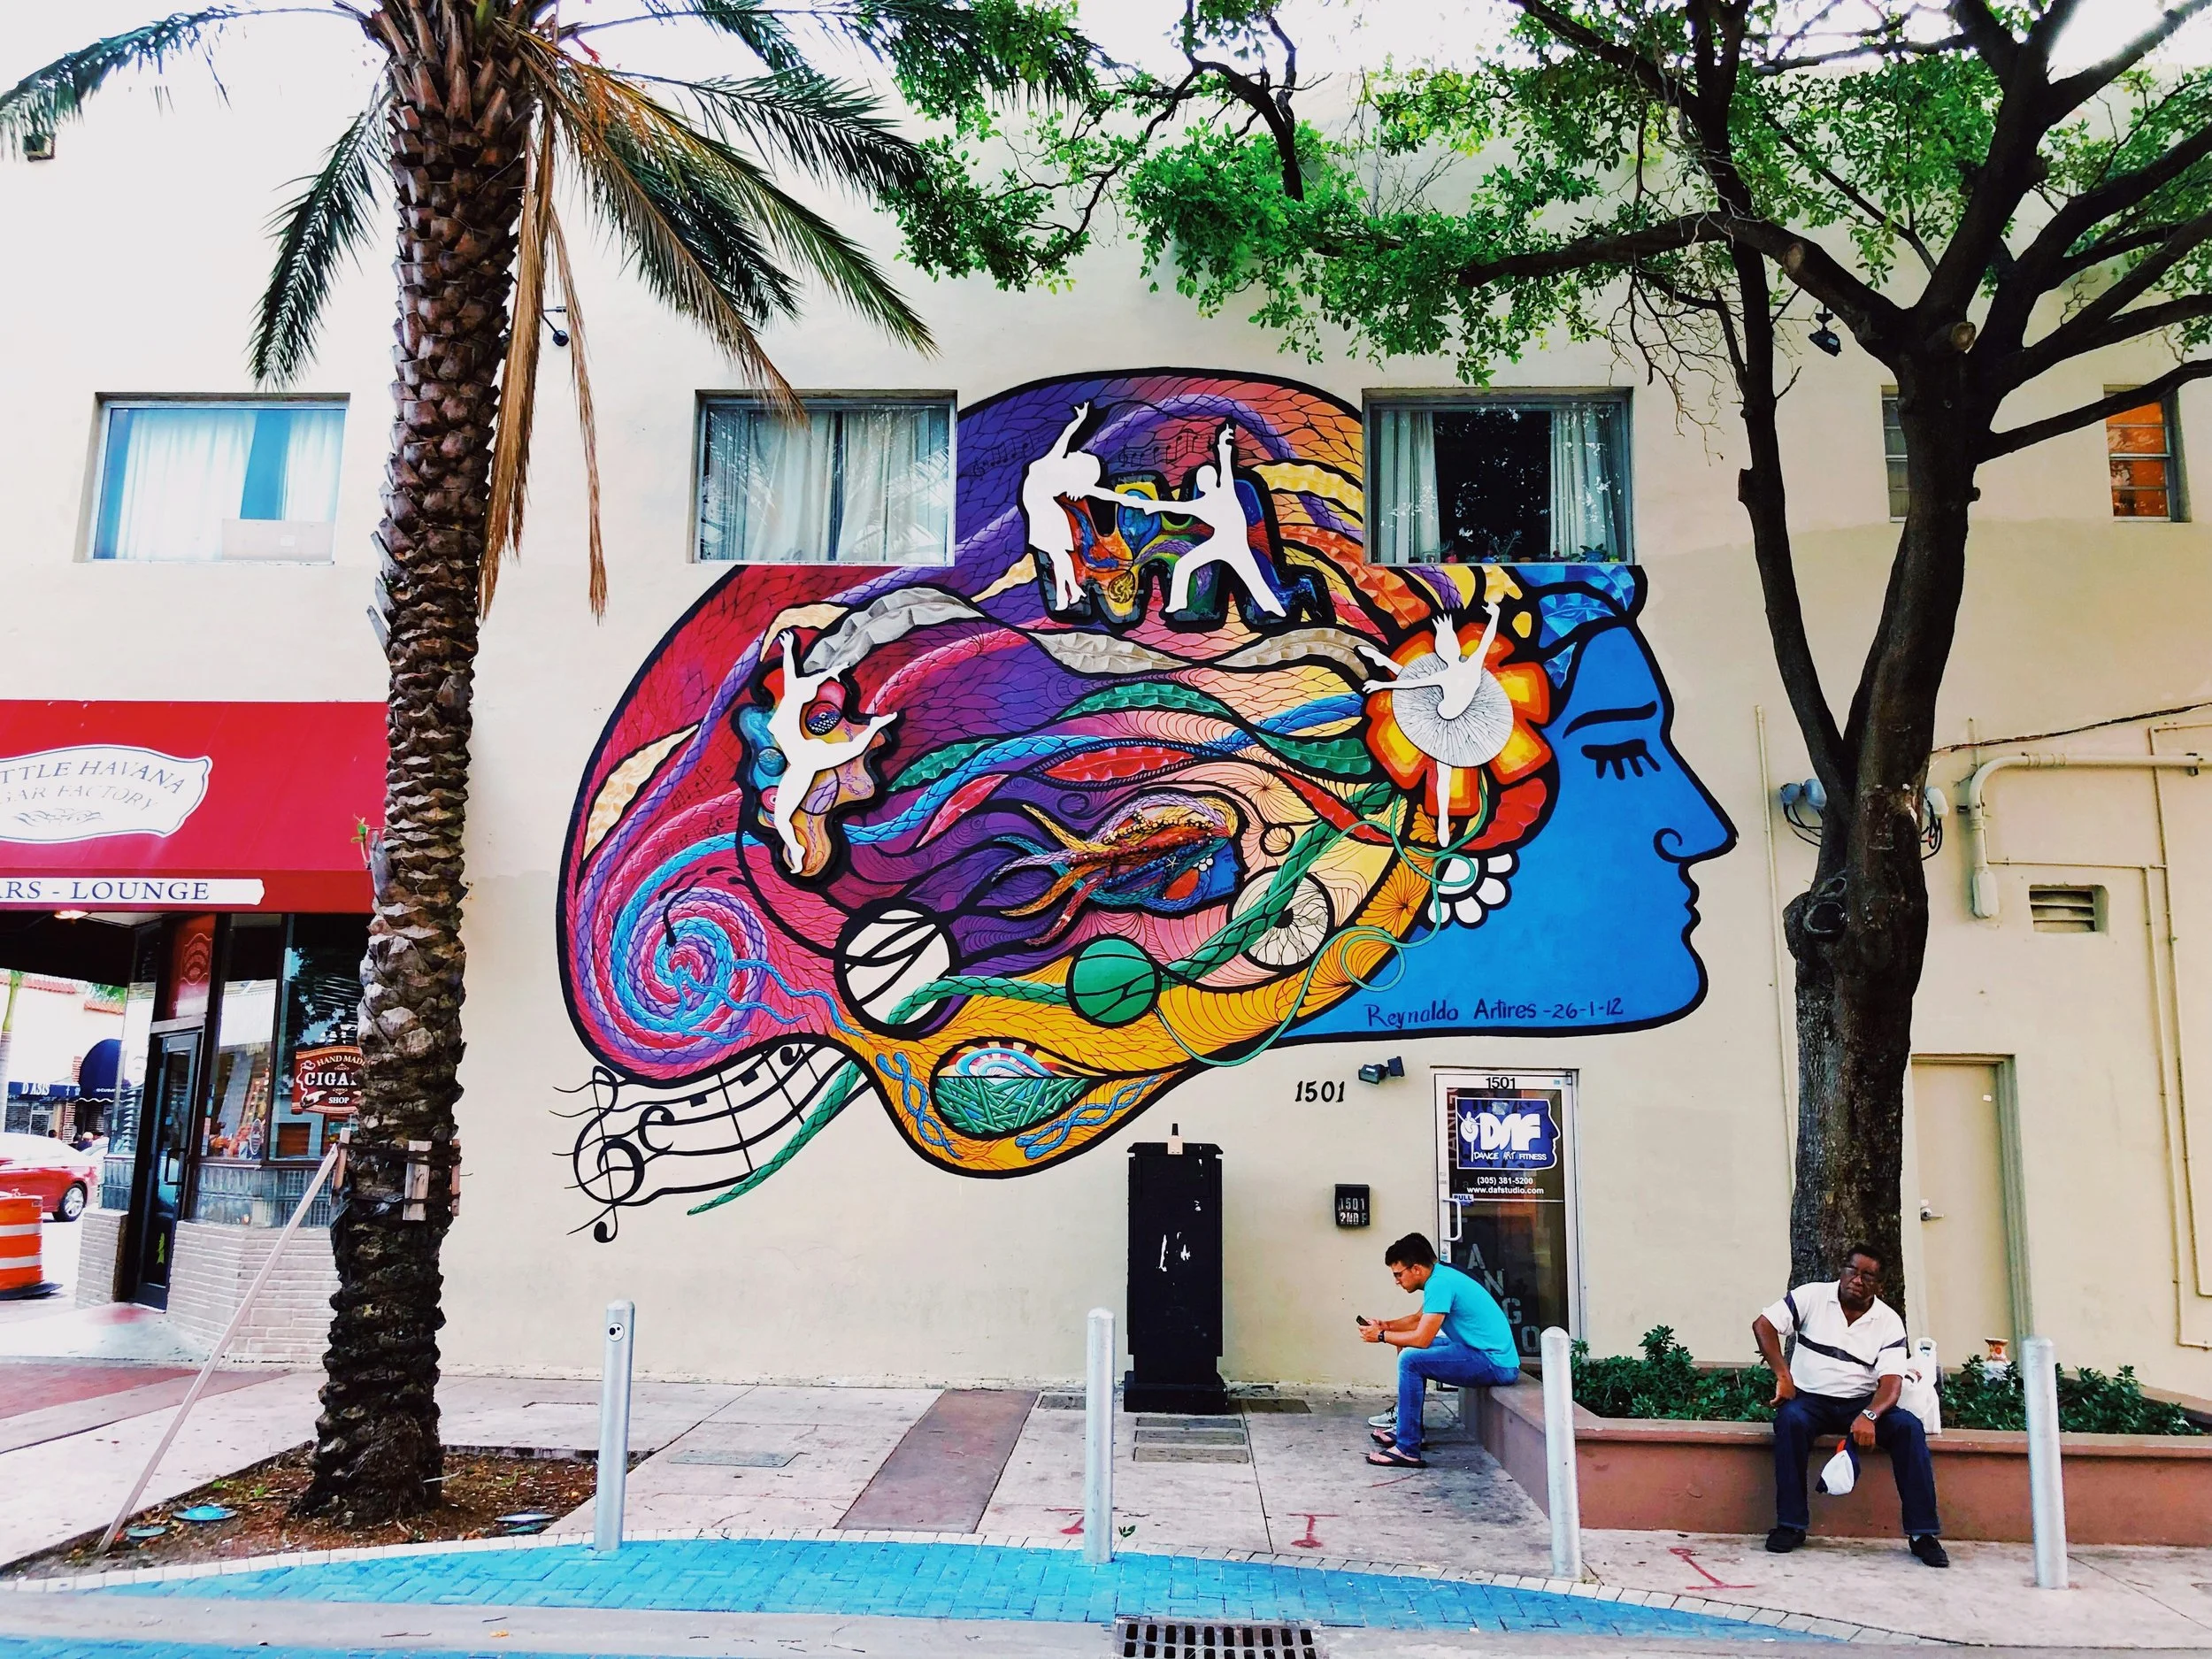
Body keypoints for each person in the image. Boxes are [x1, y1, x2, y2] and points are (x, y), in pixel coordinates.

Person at [1754, 1243, 1947, 1567]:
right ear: (1841, 1271)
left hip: (1861, 1403)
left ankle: (1922, 1534)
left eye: (1868, 1276)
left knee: (1908, 1429)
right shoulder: (1812, 1296)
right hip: (1810, 1400)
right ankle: (1791, 1525)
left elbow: (1891, 1382)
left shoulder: (1887, 1321)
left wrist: (1870, 1414)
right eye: (1852, 1271)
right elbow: (1764, 1325)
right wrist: (1783, 1375)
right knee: (1790, 1422)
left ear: (1879, 1285)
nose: (1858, 1280)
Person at [1358, 1231, 1522, 1467]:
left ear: (1415, 1269)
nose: (1396, 1281)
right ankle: (1410, 1430)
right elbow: (1418, 1319)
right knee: (1404, 1344)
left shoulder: (1440, 1283)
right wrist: (1385, 1325)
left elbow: (1423, 1339)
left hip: (1494, 1362)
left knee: (1410, 1360)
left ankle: (1407, 1449)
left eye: (1398, 1274)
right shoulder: (1442, 1276)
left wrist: (1382, 1336)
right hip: (1477, 1352)